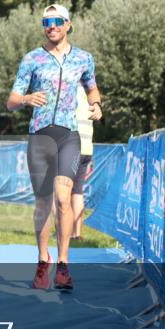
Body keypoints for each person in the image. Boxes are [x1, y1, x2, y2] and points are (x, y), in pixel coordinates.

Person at [6, 4, 102, 291]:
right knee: (43, 203)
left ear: (68, 24)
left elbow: (92, 87)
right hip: (39, 137)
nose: (52, 26)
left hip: (69, 137)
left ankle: (62, 265)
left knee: (63, 198)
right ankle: (42, 260)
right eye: (47, 22)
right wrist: (25, 99)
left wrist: (96, 104)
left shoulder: (84, 58)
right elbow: (11, 100)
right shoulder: (32, 59)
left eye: (57, 21)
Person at [71, 87, 95, 241]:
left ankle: (63, 230)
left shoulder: (70, 90)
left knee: (63, 191)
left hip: (71, 147)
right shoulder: (90, 94)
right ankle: (77, 233)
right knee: (78, 192)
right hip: (87, 148)